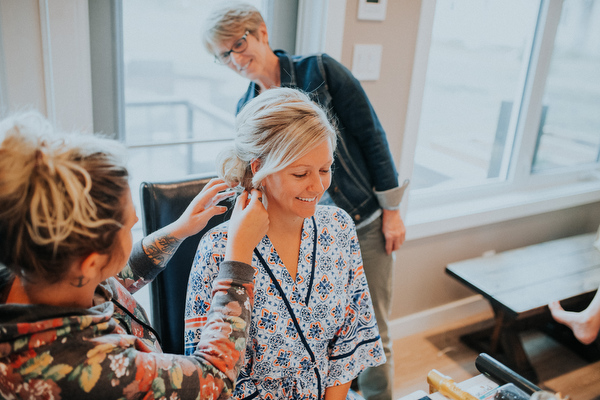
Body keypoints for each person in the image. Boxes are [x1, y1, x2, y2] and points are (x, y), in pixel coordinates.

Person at [201, 4, 408, 398]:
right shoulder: (246, 110)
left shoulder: (321, 72)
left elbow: (372, 136)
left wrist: (392, 210)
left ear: (261, 31)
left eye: (239, 44)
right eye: (223, 54)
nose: (235, 59)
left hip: (361, 216)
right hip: (283, 229)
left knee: (373, 330)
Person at [0, 111, 269, 400]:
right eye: (130, 226)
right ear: (90, 262)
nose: (137, 219)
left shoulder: (38, 265)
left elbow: (111, 277)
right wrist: (238, 257)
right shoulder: (87, 370)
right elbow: (214, 380)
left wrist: (178, 230)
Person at [184, 87, 385, 400]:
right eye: (301, 173)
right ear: (259, 168)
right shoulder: (218, 250)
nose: (318, 186)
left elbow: (348, 343)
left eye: (324, 169)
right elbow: (205, 380)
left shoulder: (339, 227)